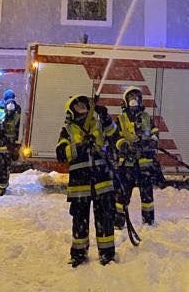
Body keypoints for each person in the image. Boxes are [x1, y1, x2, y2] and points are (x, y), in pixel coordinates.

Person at [55, 95, 118, 267]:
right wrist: (79, 148)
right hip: (80, 185)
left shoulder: (97, 125)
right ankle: (79, 253)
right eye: (78, 106)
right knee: (79, 221)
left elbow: (114, 134)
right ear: (71, 111)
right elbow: (61, 153)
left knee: (105, 219)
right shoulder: (67, 131)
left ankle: (107, 253)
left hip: (102, 182)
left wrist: (106, 117)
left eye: (84, 106)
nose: (82, 108)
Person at [113, 86, 161, 229]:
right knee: (122, 196)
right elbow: (115, 138)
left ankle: (148, 222)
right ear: (126, 101)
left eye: (137, 98)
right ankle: (118, 222)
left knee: (147, 197)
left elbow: (155, 132)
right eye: (131, 98)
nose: (134, 101)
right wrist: (124, 146)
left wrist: (152, 140)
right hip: (127, 165)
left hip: (144, 165)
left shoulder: (146, 118)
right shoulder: (120, 119)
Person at [0, 97, 21, 196]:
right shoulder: (0, 119)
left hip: (6, 151)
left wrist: (14, 149)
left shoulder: (16, 120)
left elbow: (17, 136)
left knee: (3, 170)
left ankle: (2, 188)